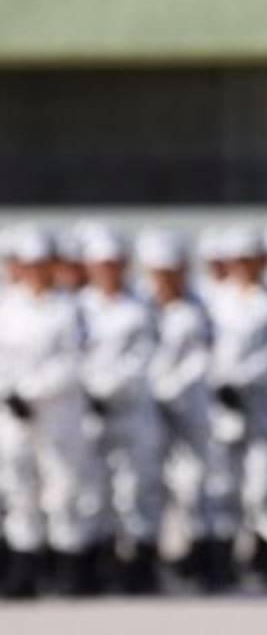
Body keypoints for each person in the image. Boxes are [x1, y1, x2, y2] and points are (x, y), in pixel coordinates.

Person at [0, 226, 106, 596]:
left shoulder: (70, 308)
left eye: (43, 264)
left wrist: (31, 391)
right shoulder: (8, 306)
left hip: (59, 411)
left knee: (64, 487)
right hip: (14, 414)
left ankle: (69, 565)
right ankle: (24, 566)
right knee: (18, 485)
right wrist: (9, 392)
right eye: (29, 264)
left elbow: (74, 361)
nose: (35, 271)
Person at [207, 225, 267, 586]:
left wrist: (240, 380)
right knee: (223, 483)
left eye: (250, 260)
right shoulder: (216, 300)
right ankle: (223, 558)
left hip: (265, 407)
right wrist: (218, 381)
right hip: (223, 407)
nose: (244, 267)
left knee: (266, 483)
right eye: (238, 260)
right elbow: (205, 348)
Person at [137, 229, 233, 591]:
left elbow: (200, 361)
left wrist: (166, 391)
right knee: (146, 484)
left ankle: (206, 557)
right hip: (147, 413)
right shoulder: (141, 307)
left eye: (171, 272)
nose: (165, 279)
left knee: (196, 484)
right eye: (158, 272)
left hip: (190, 412)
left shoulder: (197, 311)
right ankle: (147, 560)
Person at [78, 225, 168, 594]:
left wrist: (105, 390)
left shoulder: (139, 308)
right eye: (101, 264)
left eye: (113, 264)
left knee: (137, 489)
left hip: (132, 411)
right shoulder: (79, 307)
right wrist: (86, 391)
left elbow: (141, 360)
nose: (107, 271)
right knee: (92, 489)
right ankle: (99, 563)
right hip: (89, 413)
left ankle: (141, 564)